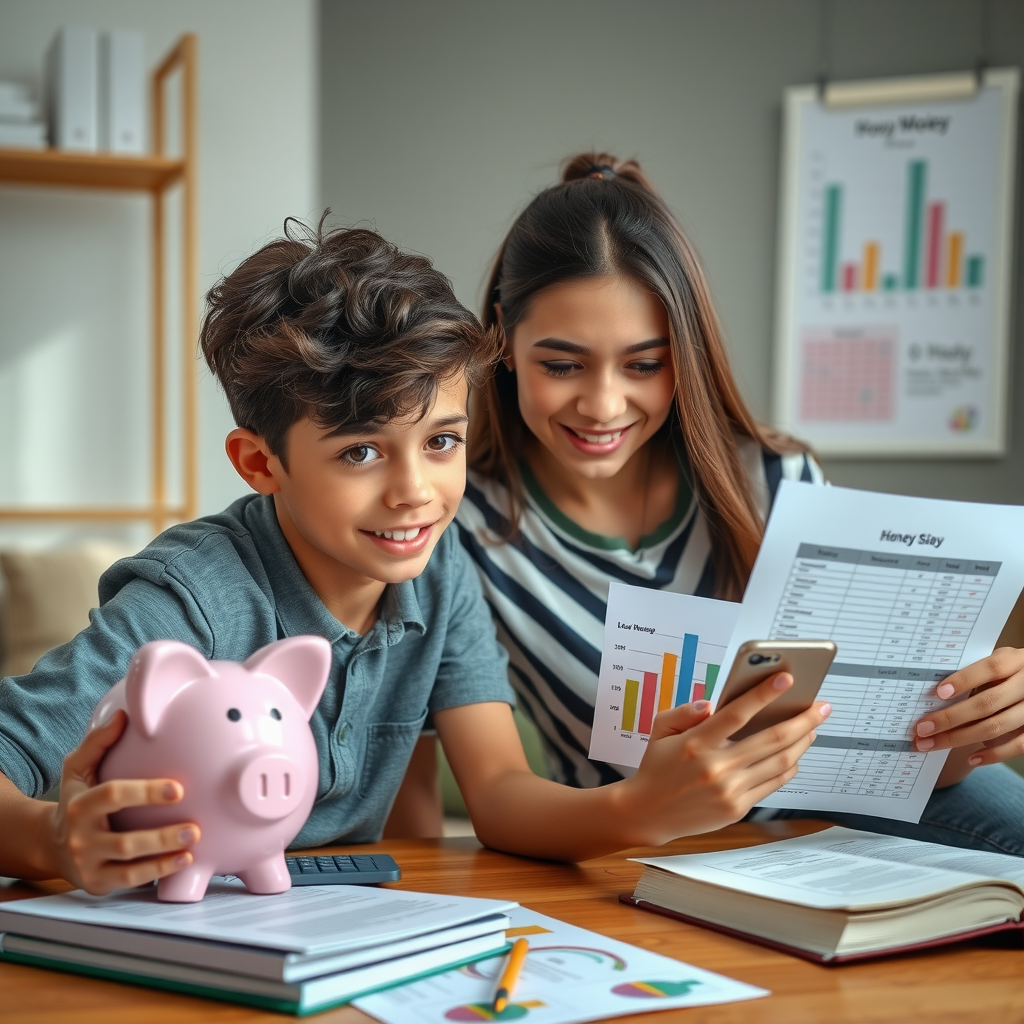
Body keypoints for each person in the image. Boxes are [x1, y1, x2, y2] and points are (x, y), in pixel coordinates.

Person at [0, 220, 829, 894]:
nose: (416, 493)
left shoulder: (440, 568)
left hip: (336, 929)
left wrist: (644, 804)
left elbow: (498, 794)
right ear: (260, 463)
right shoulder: (196, 595)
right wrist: (53, 839)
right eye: (361, 452)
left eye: (441, 442)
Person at [455, 153, 1024, 855]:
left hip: (817, 826)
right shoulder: (459, 526)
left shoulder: (779, 480)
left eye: (644, 364)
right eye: (563, 364)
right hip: (622, 846)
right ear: (504, 338)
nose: (602, 404)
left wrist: (973, 725)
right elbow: (495, 795)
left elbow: (874, 754)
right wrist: (640, 810)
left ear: (685, 354)